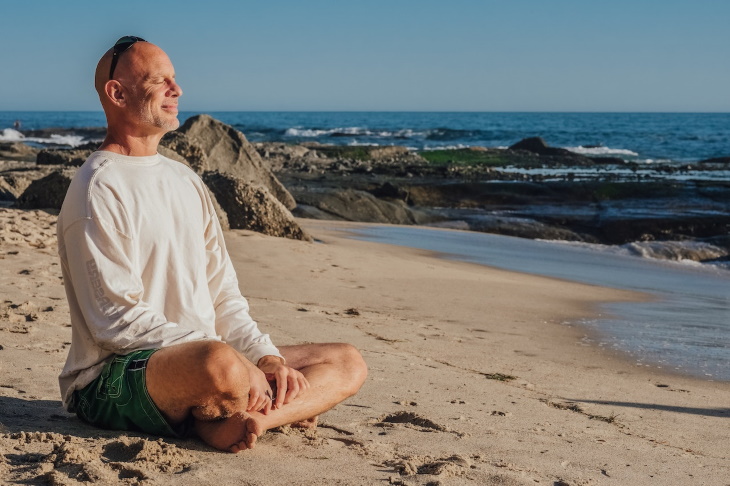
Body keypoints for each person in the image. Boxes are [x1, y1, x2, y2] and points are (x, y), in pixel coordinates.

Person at [56, 36, 367, 453]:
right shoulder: (98, 186)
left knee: (346, 361)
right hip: (117, 372)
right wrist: (232, 360)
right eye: (159, 80)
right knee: (219, 366)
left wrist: (264, 357)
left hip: (210, 357)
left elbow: (223, 295)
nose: (176, 90)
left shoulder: (185, 180)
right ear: (117, 92)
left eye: (175, 79)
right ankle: (246, 407)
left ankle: (249, 417)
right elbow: (114, 321)